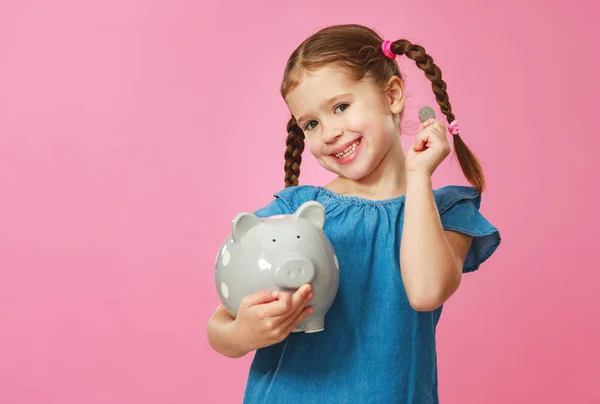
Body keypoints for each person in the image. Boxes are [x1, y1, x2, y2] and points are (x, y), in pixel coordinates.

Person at [206, 24, 501, 403]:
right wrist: (245, 333)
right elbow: (220, 326)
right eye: (311, 123)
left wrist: (418, 176)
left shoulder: (446, 212)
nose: (328, 133)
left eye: (341, 107)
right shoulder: (294, 212)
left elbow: (426, 292)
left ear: (392, 95)